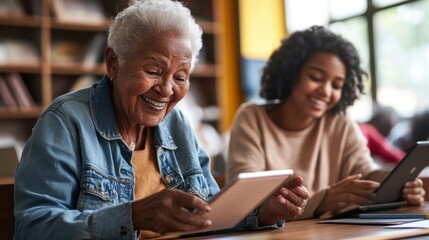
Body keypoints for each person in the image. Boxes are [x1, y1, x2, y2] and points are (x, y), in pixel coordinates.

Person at [13, 0, 309, 239]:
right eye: (154, 71)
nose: (167, 90)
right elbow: (33, 228)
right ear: (113, 63)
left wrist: (261, 213)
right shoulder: (65, 122)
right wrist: (132, 217)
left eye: (180, 77)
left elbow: (209, 214)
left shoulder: (177, 124)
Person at [226, 26, 425, 220]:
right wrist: (321, 201)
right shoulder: (252, 118)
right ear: (291, 73)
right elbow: (244, 203)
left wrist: (399, 186)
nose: (326, 91)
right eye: (316, 77)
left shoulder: (339, 121)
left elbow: (365, 172)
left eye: (337, 85)